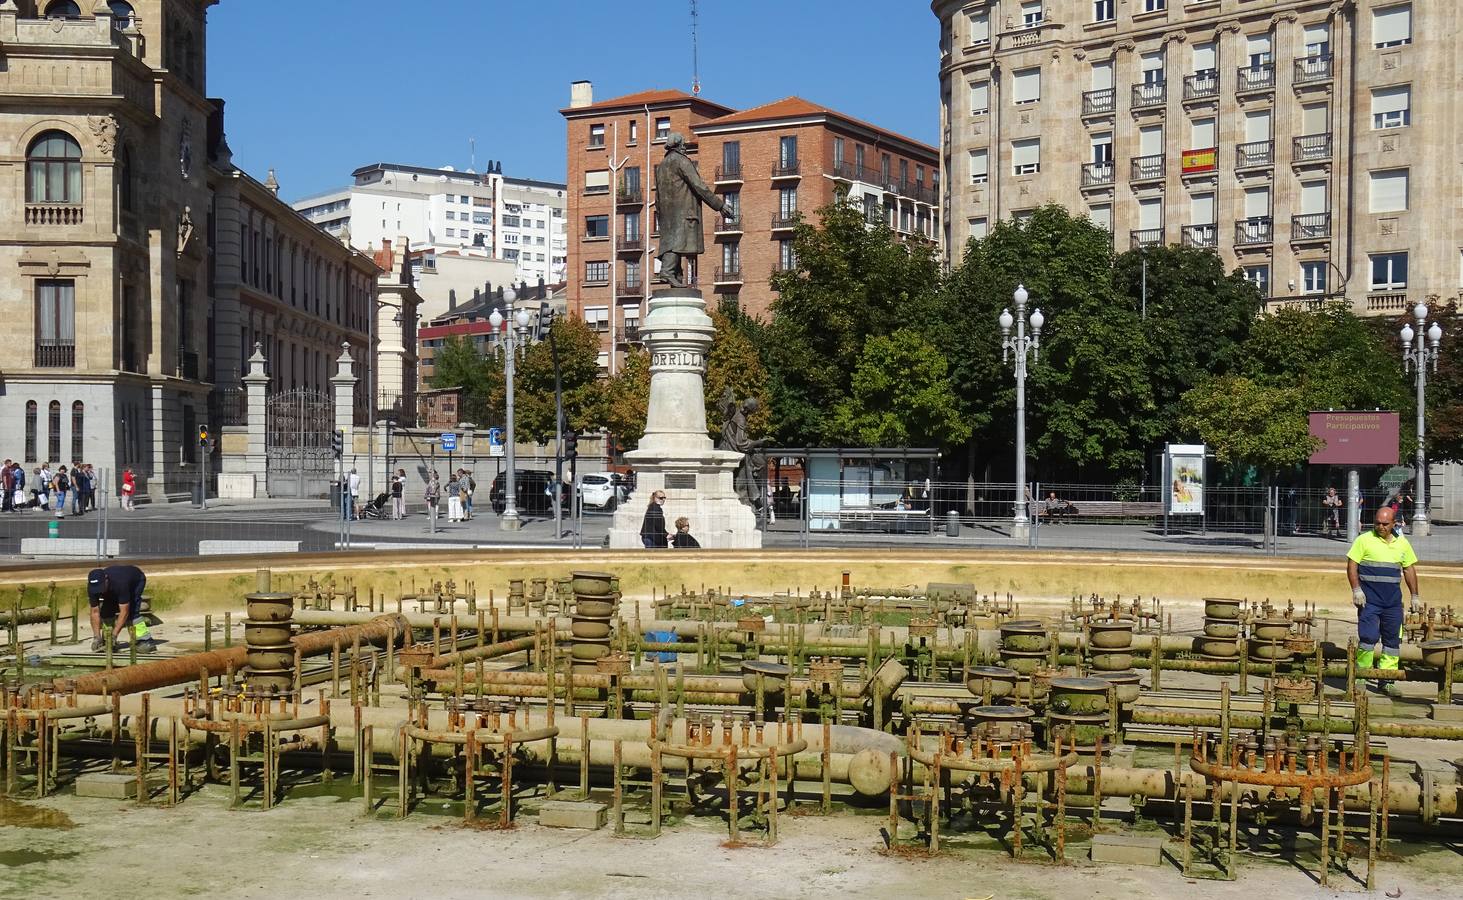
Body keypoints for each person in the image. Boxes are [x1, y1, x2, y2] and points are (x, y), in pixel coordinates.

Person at [1346, 505, 1419, 675]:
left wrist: (1415, 595)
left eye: (1385, 524)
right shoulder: (1363, 540)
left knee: (1392, 642)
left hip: (1392, 603)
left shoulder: (1402, 543)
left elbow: (1409, 569)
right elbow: (1351, 566)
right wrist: (1356, 590)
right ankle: (1362, 676)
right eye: (1377, 523)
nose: (1381, 527)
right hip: (1369, 602)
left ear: (1394, 523)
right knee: (1368, 639)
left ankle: (1387, 680)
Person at [86, 564, 156, 653]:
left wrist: (115, 635)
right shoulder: (91, 588)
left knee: (132, 612)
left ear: (106, 580)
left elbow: (124, 611)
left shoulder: (120, 583)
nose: (99, 591)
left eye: (101, 587)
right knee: (106, 612)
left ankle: (145, 640)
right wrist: (96, 637)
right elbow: (95, 612)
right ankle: (107, 640)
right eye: (97, 589)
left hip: (137, 580)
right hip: (115, 585)